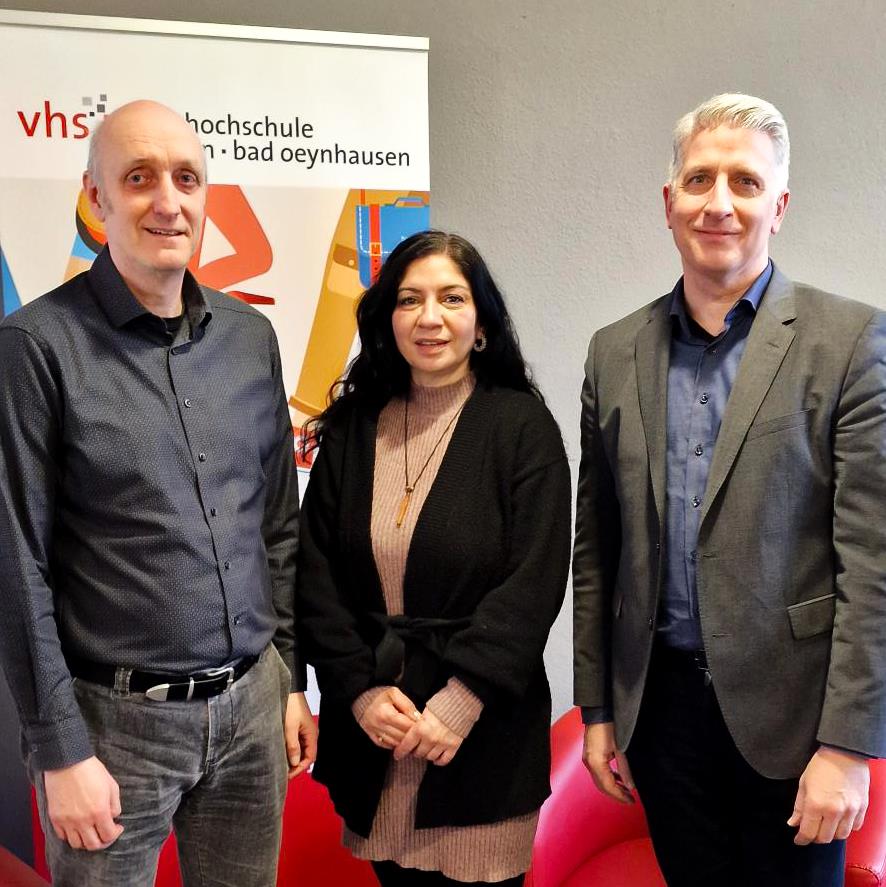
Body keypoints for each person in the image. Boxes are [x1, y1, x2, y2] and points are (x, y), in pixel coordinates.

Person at [572, 93, 886, 887]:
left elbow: (874, 563)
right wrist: (598, 710)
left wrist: (849, 747)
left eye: (745, 182)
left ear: (778, 206)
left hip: (797, 723)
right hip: (661, 718)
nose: (719, 203)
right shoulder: (613, 351)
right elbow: (596, 550)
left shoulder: (849, 342)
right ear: (668, 202)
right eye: (699, 179)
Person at [0, 100, 317, 887]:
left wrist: (288, 674)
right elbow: (15, 564)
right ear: (96, 197)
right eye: (138, 178)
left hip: (253, 710)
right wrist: (60, 750)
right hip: (112, 729)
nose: (168, 202)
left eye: (186, 179)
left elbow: (277, 525)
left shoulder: (249, 338)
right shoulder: (35, 348)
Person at [296, 230, 571, 886]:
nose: (430, 317)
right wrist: (358, 690)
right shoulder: (354, 425)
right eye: (410, 299)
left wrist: (460, 701)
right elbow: (314, 573)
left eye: (452, 298)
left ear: (482, 323)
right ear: (387, 319)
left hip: (480, 736)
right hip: (377, 735)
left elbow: (533, 583)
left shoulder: (523, 428)